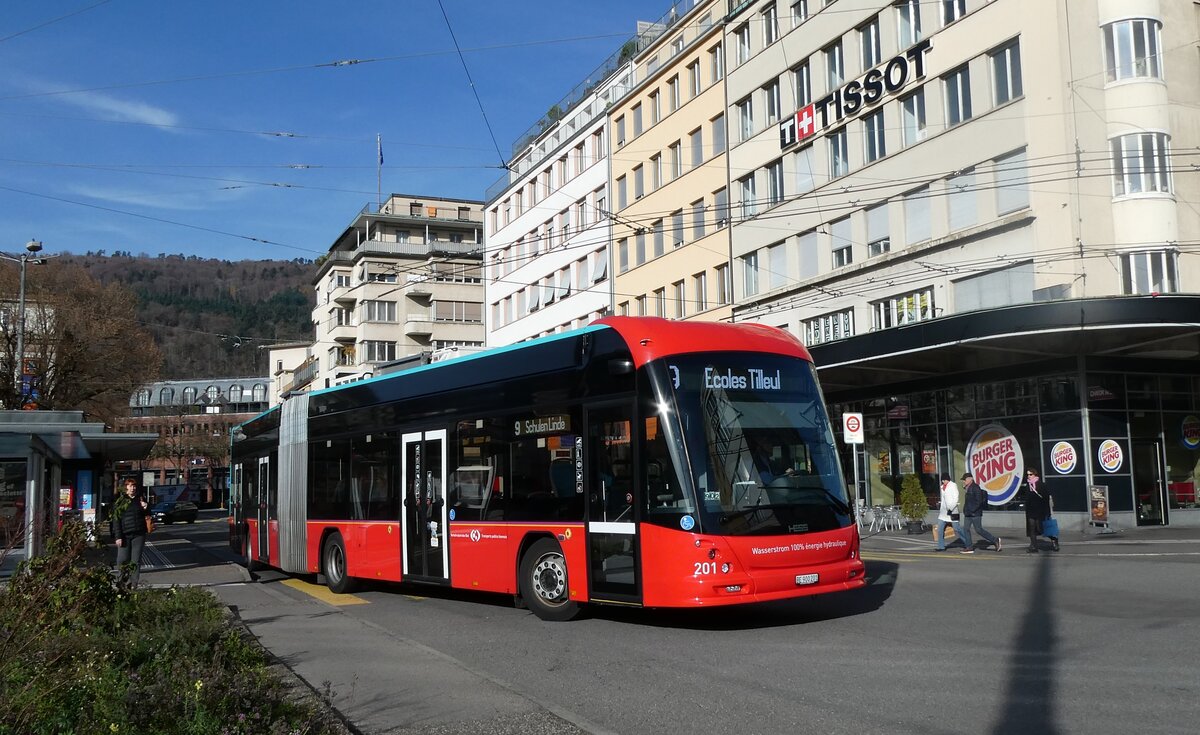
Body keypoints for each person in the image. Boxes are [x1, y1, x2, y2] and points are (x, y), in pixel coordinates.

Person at [112, 478, 151, 585]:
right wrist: (118, 536)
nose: (132, 488)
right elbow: (116, 520)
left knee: (135, 561)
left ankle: (133, 584)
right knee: (122, 559)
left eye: (134, 486)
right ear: (126, 488)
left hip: (139, 534)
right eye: (130, 486)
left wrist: (146, 508)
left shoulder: (140, 500)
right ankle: (122, 581)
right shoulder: (120, 502)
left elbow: (148, 515)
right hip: (124, 535)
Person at [958, 472, 1001, 554]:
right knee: (966, 529)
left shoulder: (976, 488)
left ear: (970, 479)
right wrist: (965, 510)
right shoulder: (968, 488)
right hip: (968, 513)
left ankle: (995, 540)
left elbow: (979, 501)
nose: (964, 481)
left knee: (979, 530)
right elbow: (968, 501)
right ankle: (969, 547)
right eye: (963, 480)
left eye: (965, 479)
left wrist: (972, 510)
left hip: (975, 513)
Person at [1021, 467, 1056, 553]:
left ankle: (1054, 539)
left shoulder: (1041, 485)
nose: (1029, 476)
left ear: (1035, 474)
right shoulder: (1027, 486)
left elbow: (1045, 498)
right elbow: (1027, 498)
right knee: (1032, 529)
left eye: (1030, 474)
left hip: (1040, 510)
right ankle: (1034, 546)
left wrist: (1047, 511)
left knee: (1041, 529)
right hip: (1030, 511)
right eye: (1027, 475)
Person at [934, 473, 965, 551]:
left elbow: (956, 498)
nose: (942, 482)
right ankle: (941, 547)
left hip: (952, 511)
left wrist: (950, 508)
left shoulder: (953, 485)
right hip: (943, 513)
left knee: (957, 528)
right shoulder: (942, 487)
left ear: (946, 479)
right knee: (940, 529)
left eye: (943, 480)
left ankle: (968, 543)